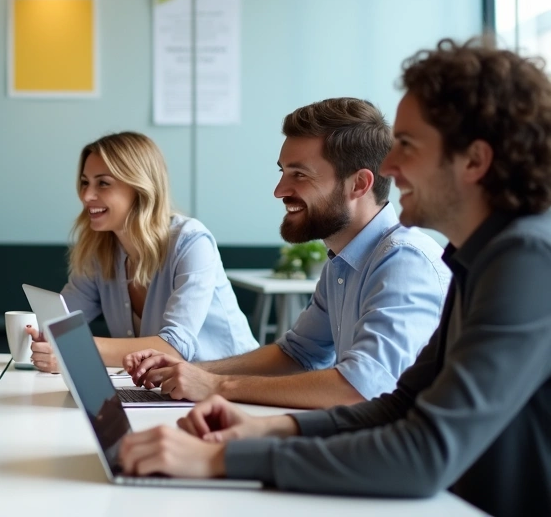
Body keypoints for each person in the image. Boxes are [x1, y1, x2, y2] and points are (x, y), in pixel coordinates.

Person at [117, 39, 551, 517]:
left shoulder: (525, 259)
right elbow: (400, 404)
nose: (389, 165)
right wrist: (266, 429)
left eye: (406, 145)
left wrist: (223, 456)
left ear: (474, 160)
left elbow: (423, 451)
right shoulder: (478, 256)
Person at [124, 99, 449, 409]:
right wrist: (192, 370)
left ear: (358, 185)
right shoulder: (343, 262)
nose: (279, 190)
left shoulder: (405, 261)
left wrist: (216, 386)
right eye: (282, 172)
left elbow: (360, 388)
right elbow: (297, 354)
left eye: (299, 174)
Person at [28, 132, 257, 370]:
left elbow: (174, 348)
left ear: (140, 187)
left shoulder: (191, 241)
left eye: (103, 183)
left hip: (235, 386)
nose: (86, 196)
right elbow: (58, 324)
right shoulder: (100, 250)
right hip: (165, 391)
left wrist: (72, 348)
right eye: (85, 182)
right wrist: (40, 339)